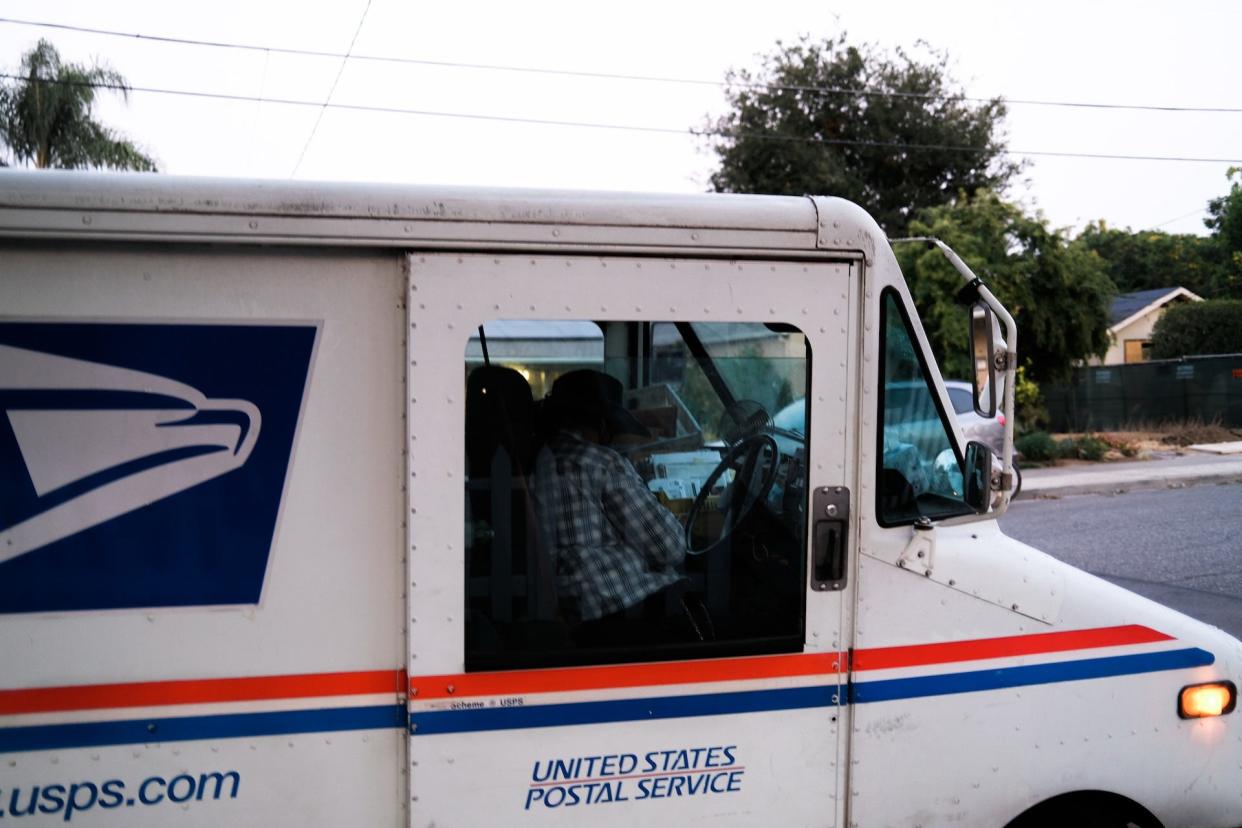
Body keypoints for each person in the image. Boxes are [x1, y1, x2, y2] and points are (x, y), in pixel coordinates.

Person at [532, 369, 690, 644]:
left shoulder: (540, 460)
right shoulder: (602, 462)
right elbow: (668, 547)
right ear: (604, 426)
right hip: (623, 606)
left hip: (578, 608)